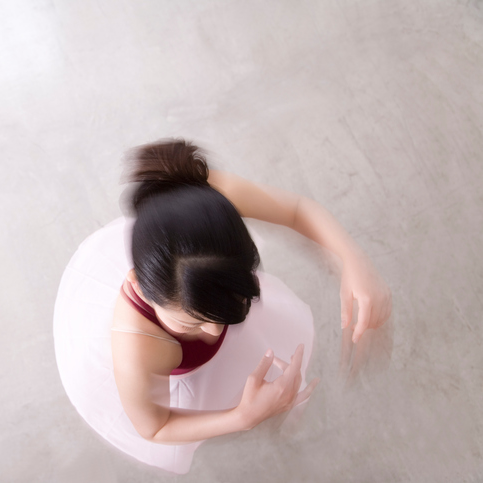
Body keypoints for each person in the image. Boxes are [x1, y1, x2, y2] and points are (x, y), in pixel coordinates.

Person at [53, 139, 391, 474]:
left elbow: (295, 210)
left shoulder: (204, 200)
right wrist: (241, 418)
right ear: (139, 286)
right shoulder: (138, 345)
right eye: (191, 323)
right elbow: (154, 427)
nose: (217, 331)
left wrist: (353, 259)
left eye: (238, 300)